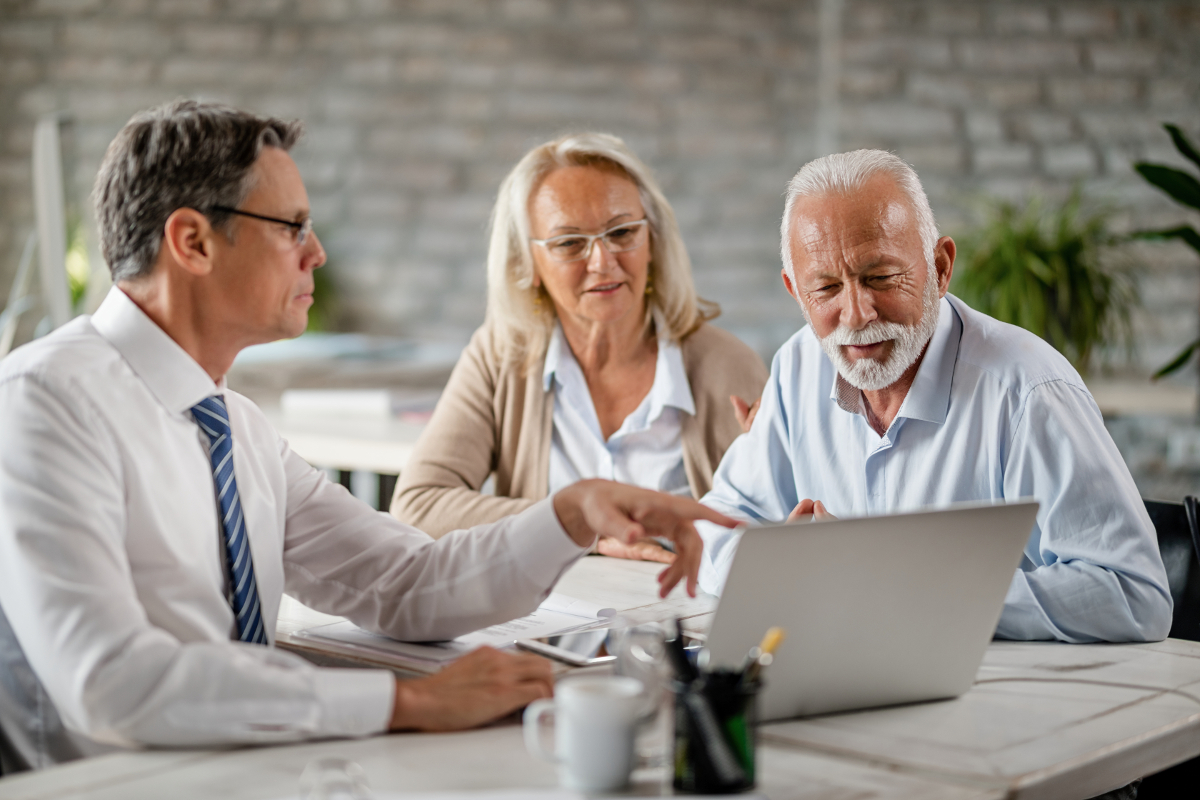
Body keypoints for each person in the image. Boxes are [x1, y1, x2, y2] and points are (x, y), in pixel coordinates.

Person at [0, 101, 735, 773]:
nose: (316, 253)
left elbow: (408, 583)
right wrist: (406, 705)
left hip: (245, 773)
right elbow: (110, 683)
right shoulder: (45, 400)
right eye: (292, 227)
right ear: (191, 241)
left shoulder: (235, 430)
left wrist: (574, 514)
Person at [696, 149, 1172, 644]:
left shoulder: (1028, 389)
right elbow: (718, 524)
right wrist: (777, 568)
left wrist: (900, 584)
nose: (855, 314)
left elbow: (1135, 594)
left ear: (940, 267)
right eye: (826, 288)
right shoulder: (798, 365)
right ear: (796, 292)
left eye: (880, 277)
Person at [389, 133, 768, 563]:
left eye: (622, 232)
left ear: (654, 243)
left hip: (680, 619)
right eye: (569, 243)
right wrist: (582, 524)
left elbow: (769, 526)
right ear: (526, 263)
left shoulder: (727, 365)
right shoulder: (501, 355)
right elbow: (418, 506)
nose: (602, 262)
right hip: (548, 622)